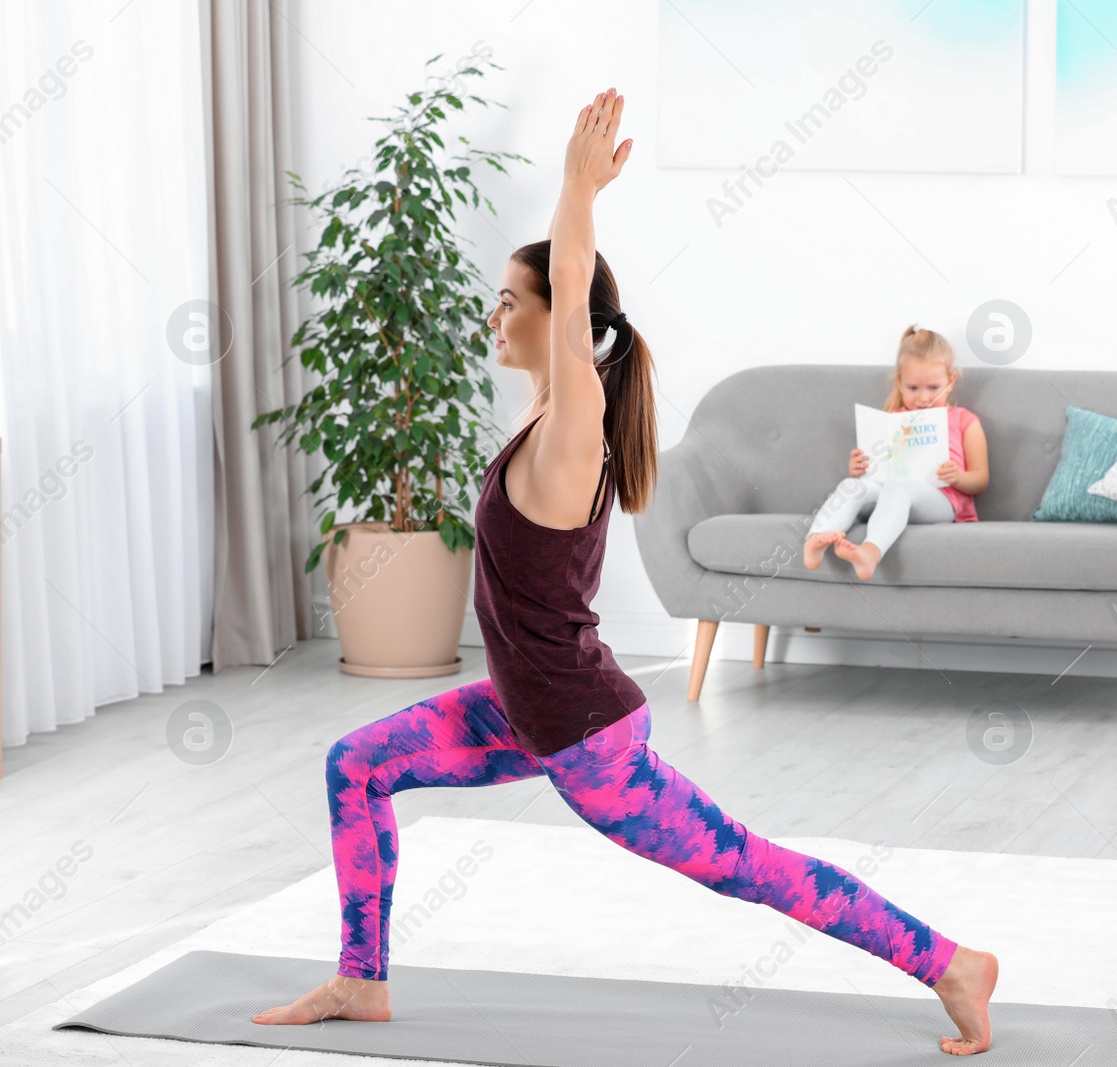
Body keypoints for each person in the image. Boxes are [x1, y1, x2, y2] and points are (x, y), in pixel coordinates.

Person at [252, 87, 1000, 1056]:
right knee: (354, 765)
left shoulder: (574, 432)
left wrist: (575, 189)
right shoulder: (538, 422)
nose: (494, 316)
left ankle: (947, 959)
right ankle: (361, 980)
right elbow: (562, 316)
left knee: (746, 863)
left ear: (560, 314)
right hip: (527, 706)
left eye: (510, 300)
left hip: (586, 736)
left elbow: (570, 297)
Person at [804, 328, 989, 581]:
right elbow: (876, 474)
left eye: (933, 388)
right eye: (913, 388)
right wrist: (859, 468)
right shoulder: (890, 421)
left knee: (898, 486)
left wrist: (958, 477)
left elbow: (981, 480)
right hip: (890, 494)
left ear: (951, 381)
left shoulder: (964, 420)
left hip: (943, 501)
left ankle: (870, 551)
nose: (923, 398)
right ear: (899, 382)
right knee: (851, 486)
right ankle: (815, 540)